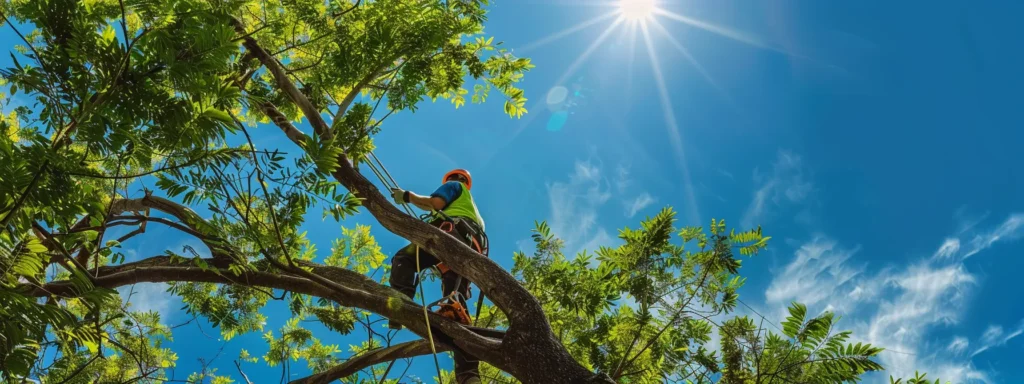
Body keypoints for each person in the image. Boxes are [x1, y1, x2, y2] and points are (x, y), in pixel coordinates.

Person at [387, 168, 486, 384]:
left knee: (404, 259)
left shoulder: (455, 187)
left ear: (454, 179)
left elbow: (435, 203)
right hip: (472, 250)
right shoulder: (475, 212)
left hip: (453, 235)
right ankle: (468, 373)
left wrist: (406, 196)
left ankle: (400, 303)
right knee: (455, 307)